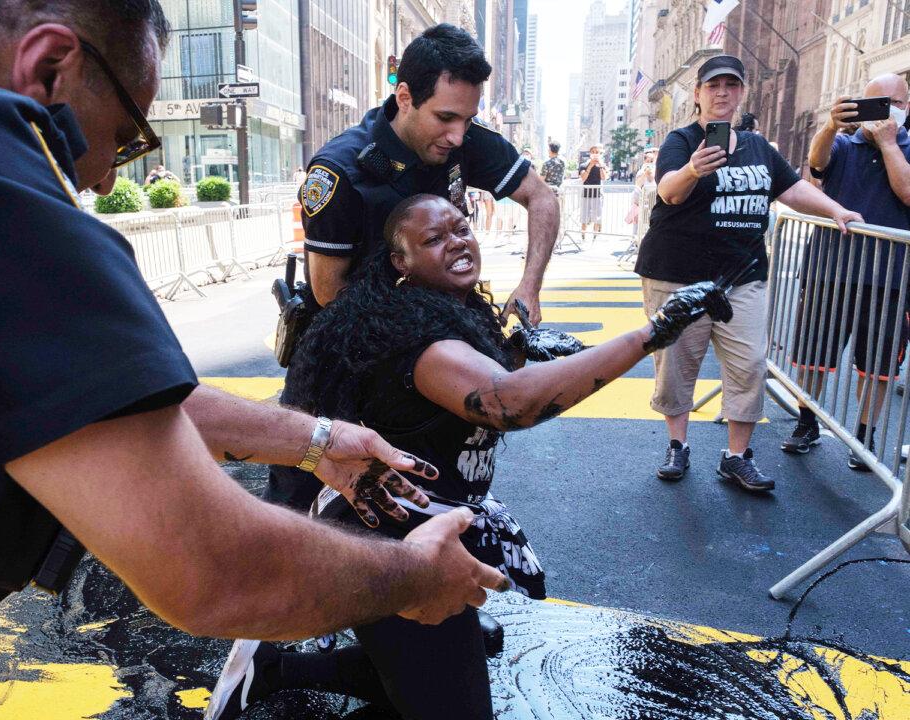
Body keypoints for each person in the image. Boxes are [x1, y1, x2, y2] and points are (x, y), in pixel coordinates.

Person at [0, 3, 509, 718]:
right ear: (50, 66)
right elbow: (210, 565)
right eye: (123, 138)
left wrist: (317, 440)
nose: (102, 181)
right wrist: (415, 575)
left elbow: (93, 392)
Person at [205, 194, 732, 720]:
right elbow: (509, 402)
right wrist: (653, 333)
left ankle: (277, 671)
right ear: (401, 262)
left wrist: (519, 349)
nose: (457, 242)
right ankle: (291, 670)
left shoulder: (456, 311)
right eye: (434, 239)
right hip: (393, 537)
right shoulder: (419, 337)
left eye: (461, 228)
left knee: (456, 659)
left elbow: (485, 378)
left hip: (429, 518)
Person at [270, 23, 559, 512]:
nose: (458, 135)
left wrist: (529, 287)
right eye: (445, 117)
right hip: (340, 360)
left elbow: (542, 197)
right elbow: (329, 294)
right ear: (404, 97)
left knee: (431, 500)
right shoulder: (340, 170)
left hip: (424, 355)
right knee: (299, 507)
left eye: (468, 118)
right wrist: (427, 341)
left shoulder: (463, 139)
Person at [633, 54, 862, 492]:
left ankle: (737, 456)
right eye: (713, 85)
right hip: (677, 274)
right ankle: (678, 445)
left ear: (741, 93)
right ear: (697, 94)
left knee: (749, 364)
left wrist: (836, 210)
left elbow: (792, 188)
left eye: (731, 85)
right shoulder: (682, 141)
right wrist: (693, 169)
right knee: (676, 364)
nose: (722, 92)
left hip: (743, 274)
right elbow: (668, 192)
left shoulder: (758, 146)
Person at [784, 73, 910, 469]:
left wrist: (889, 144)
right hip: (829, 269)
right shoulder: (842, 142)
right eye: (875, 104)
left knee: (877, 365)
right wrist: (829, 125)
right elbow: (816, 163)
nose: (885, 113)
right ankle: (807, 422)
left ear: (907, 107)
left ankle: (864, 436)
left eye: (894, 104)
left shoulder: (905, 145)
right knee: (813, 354)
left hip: (889, 277)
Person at [579, 144, 606, 239]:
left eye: (597, 152)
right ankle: (583, 235)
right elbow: (583, 178)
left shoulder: (602, 165)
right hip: (586, 194)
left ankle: (595, 235)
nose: (595, 154)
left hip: (597, 195)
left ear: (600, 154)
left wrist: (600, 166)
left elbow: (603, 177)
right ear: (590, 153)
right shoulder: (583, 165)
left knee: (597, 216)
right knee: (584, 216)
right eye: (593, 152)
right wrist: (590, 165)